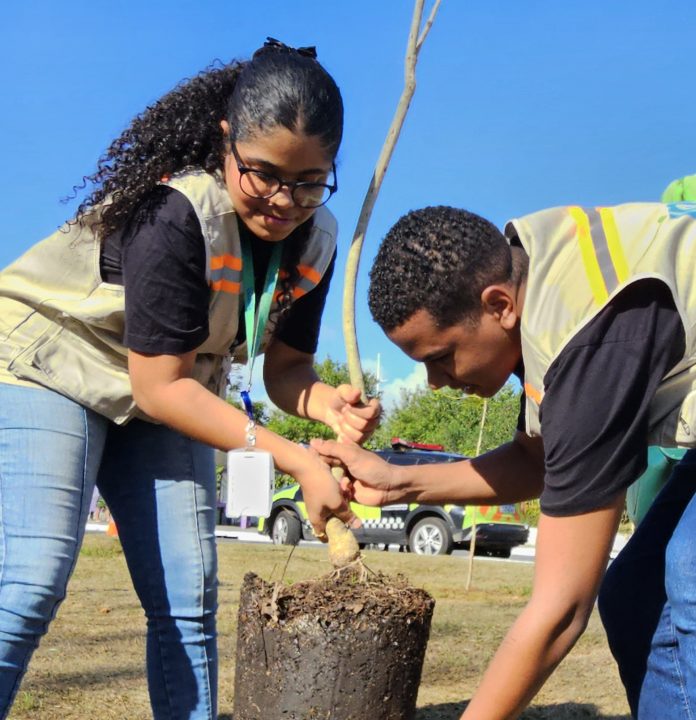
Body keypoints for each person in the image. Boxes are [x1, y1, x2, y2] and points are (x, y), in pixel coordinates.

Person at [0, 39, 379, 720]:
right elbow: (159, 387)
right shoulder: (180, 211)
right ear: (226, 139)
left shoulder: (316, 238)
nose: (282, 200)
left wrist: (329, 408)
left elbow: (285, 369)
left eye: (309, 181)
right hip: (51, 363)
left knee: (187, 596)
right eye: (261, 173)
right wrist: (293, 456)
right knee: (29, 581)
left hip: (165, 387)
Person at [313, 201, 696, 719]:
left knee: (690, 573)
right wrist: (398, 482)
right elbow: (538, 462)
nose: (434, 382)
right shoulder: (535, 292)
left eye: (440, 357)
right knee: (633, 599)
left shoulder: (593, 332)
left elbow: (561, 610)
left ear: (497, 306)